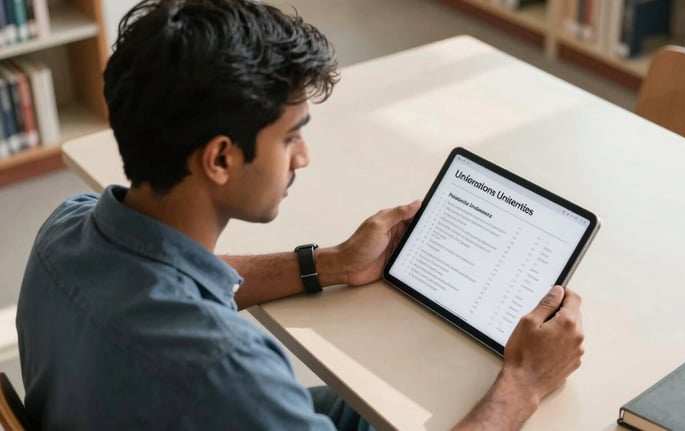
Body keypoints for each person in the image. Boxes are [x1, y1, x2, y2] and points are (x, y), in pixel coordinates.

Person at [15, 0, 584, 429]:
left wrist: (332, 263)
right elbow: (219, 367)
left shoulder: (65, 227)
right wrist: (523, 384)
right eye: (291, 138)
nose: (304, 157)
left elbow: (170, 276)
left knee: (370, 403)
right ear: (220, 157)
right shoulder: (228, 369)